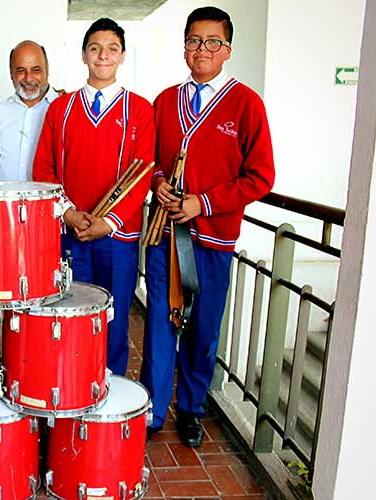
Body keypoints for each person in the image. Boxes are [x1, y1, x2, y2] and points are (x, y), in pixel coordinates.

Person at [140, 6, 275, 447]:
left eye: (212, 42)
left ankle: (192, 408)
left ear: (227, 50)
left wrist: (205, 202)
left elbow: (261, 176)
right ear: (184, 48)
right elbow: (153, 162)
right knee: (161, 321)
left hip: (213, 239)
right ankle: (154, 408)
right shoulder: (164, 101)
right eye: (195, 41)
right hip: (164, 235)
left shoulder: (246, 104)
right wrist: (158, 182)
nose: (203, 49)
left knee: (203, 328)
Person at [33, 18, 155, 377]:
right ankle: (71, 386)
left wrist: (109, 222)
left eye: (112, 49)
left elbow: (143, 173)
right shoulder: (62, 108)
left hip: (119, 235)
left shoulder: (140, 109)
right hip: (71, 231)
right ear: (84, 55)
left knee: (114, 319)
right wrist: (68, 214)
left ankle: (109, 391)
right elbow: (43, 169)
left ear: (122, 57)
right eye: (95, 48)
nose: (103, 56)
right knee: (70, 312)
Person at [0, 40, 58, 181]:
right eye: (20, 71)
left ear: (47, 70)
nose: (28, 78)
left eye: (36, 70)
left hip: (49, 202)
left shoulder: (63, 109)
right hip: (8, 202)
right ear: (11, 74)